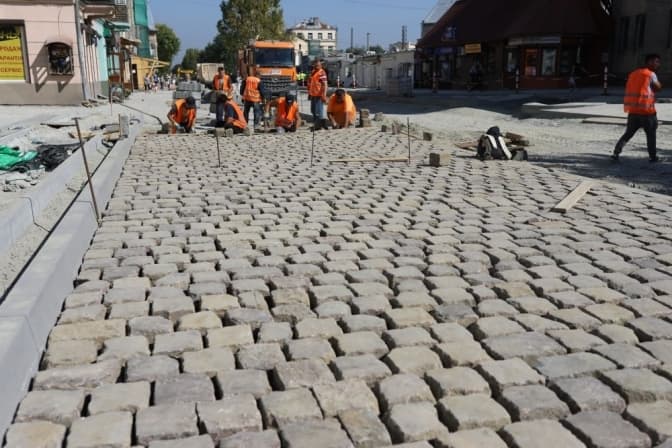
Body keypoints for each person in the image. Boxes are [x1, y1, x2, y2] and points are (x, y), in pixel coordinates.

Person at [612, 53, 662, 163]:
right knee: (651, 135)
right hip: (647, 112)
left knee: (628, 133)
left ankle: (616, 152)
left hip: (633, 110)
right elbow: (658, 88)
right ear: (649, 62)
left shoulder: (633, 74)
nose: (658, 64)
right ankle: (653, 157)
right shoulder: (650, 74)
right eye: (656, 62)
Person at [308, 59, 328, 129]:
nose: (316, 66)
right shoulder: (313, 72)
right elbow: (311, 83)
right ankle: (316, 124)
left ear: (320, 65)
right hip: (313, 94)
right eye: (315, 65)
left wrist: (324, 95)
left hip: (319, 95)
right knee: (313, 110)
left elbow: (325, 85)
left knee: (318, 111)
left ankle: (320, 125)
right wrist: (309, 94)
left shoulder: (322, 73)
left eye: (318, 65)